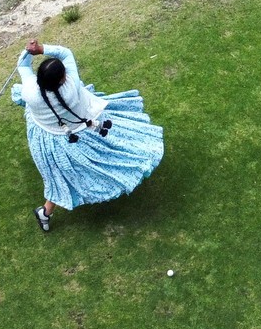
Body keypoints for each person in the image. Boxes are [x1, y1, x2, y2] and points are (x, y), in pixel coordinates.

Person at [13, 39, 163, 231]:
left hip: (49, 138)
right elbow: (65, 53)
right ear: (61, 79)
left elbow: (22, 66)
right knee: (82, 165)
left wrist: (26, 53)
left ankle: (46, 212)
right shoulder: (71, 86)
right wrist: (39, 49)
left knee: (60, 175)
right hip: (76, 131)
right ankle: (46, 210)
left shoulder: (29, 92)